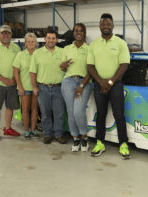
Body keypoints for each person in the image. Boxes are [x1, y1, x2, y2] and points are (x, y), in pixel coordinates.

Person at [87, 13, 131, 159]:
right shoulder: (93, 44)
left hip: (116, 84)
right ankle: (100, 142)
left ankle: (123, 144)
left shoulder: (120, 43)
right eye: (103, 24)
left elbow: (124, 65)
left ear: (112, 26)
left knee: (119, 115)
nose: (105, 26)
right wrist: (101, 82)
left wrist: (111, 82)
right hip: (99, 84)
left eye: (108, 24)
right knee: (101, 114)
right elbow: (90, 66)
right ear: (100, 26)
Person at [29, 29, 67, 144]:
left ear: (57, 40)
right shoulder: (37, 53)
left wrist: (65, 67)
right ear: (45, 39)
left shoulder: (62, 52)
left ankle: (59, 134)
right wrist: (35, 87)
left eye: (53, 38)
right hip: (43, 88)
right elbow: (32, 72)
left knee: (59, 113)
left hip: (58, 88)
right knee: (45, 113)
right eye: (49, 38)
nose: (51, 40)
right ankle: (47, 134)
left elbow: (67, 68)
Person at [60, 23, 92, 152]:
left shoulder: (89, 49)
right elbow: (62, 67)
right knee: (71, 112)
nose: (79, 32)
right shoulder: (67, 49)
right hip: (68, 82)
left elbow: (91, 70)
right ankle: (75, 138)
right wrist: (63, 65)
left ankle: (84, 136)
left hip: (84, 82)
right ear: (73, 33)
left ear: (84, 33)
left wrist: (82, 85)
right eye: (76, 30)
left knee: (78, 110)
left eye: (81, 31)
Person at [13, 33, 40, 139]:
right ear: (25, 43)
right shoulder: (20, 55)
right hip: (24, 87)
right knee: (24, 110)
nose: (31, 43)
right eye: (28, 41)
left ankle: (33, 129)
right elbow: (16, 72)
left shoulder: (39, 54)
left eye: (32, 41)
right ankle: (26, 130)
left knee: (35, 109)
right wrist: (20, 87)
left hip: (36, 87)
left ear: (36, 43)